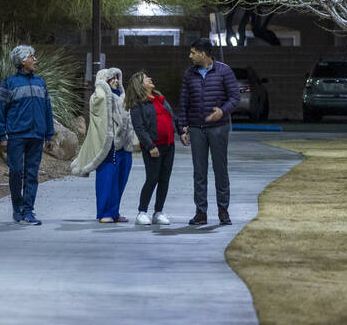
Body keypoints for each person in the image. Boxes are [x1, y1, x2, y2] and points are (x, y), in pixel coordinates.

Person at [177, 38, 241, 226]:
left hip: (219, 128)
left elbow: (235, 97)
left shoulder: (224, 71)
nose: (190, 56)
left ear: (203, 54)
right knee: (199, 171)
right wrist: (182, 127)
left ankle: (223, 211)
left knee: (220, 170)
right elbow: (183, 102)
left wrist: (222, 110)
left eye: (193, 52)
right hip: (197, 128)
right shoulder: (189, 74)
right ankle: (201, 212)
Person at [0, 44, 55, 225]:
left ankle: (28, 211)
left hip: (37, 135)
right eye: (31, 57)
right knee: (16, 172)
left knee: (32, 174)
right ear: (21, 61)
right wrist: (2, 136)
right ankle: (17, 208)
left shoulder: (40, 82)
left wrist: (49, 135)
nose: (35, 60)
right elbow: (0, 111)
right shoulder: (9, 83)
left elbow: (47, 110)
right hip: (16, 136)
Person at [71, 67, 135, 222]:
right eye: (111, 79)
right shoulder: (99, 96)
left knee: (120, 179)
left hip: (123, 145)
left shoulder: (122, 97)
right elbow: (100, 109)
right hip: (109, 146)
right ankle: (104, 212)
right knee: (107, 179)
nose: (116, 81)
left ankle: (115, 211)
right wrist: (103, 87)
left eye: (117, 78)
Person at [126, 70, 178, 225]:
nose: (150, 78)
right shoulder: (137, 105)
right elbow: (139, 128)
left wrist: (180, 131)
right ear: (139, 85)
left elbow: (171, 118)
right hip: (153, 147)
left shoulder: (159, 98)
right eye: (145, 78)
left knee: (164, 179)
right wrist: (150, 146)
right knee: (152, 178)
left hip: (169, 145)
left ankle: (158, 212)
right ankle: (142, 212)